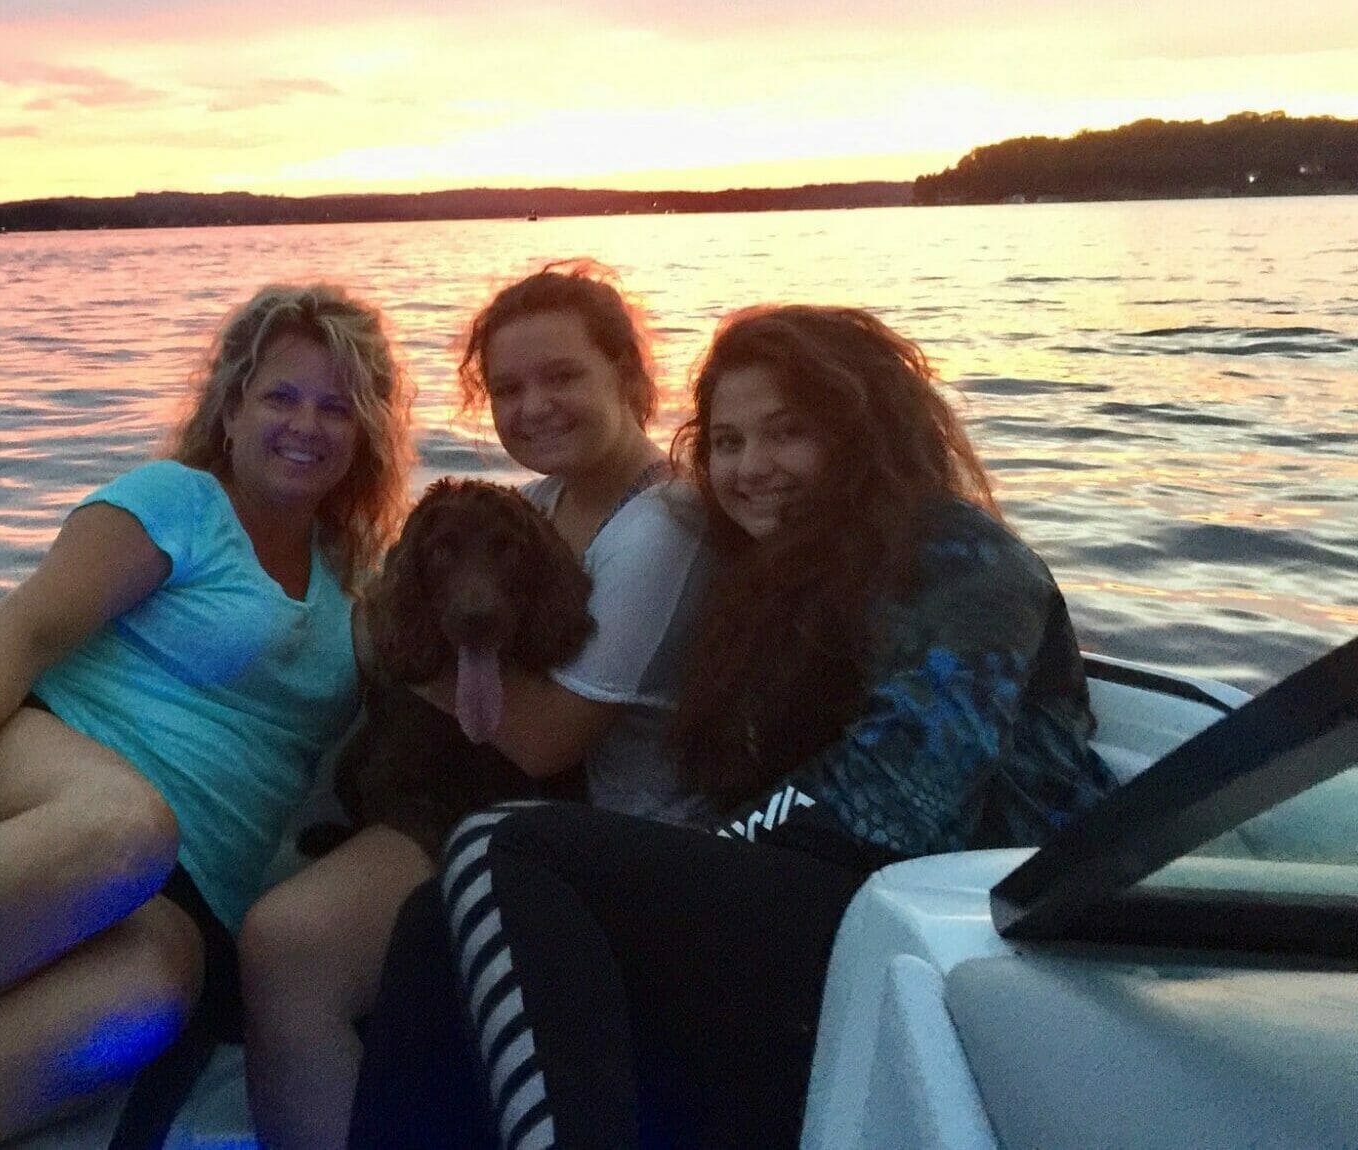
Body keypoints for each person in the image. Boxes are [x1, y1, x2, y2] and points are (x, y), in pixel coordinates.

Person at [346, 304, 1121, 1149]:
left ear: (865, 430)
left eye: (788, 433)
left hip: (959, 914)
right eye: (728, 442)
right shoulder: (775, 582)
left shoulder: (960, 563)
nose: (754, 467)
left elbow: (902, 801)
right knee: (436, 922)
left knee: (507, 849)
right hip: (829, 896)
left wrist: (713, 852)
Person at [0, 283, 414, 1149]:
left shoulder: (358, 579)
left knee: (152, 993)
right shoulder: (179, 501)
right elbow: (23, 627)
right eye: (281, 397)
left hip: (176, 890)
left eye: (337, 407)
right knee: (125, 824)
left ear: (365, 433)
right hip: (4, 749)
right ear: (230, 409)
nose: (308, 424)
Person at [239, 262, 710, 1149]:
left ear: (630, 375)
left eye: (563, 376)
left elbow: (536, 740)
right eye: (508, 387)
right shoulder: (543, 504)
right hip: (512, 807)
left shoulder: (663, 527)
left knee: (285, 943)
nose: (534, 406)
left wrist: (393, 630)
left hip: (627, 836)